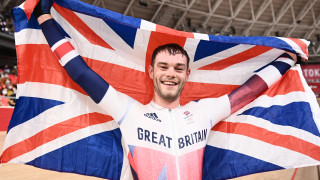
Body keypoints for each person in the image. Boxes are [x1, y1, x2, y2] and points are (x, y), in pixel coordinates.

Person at [33, 1, 297, 179]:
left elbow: (251, 90)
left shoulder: (203, 112)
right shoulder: (129, 111)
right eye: (164, 67)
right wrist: (45, 18)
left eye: (178, 68)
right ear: (151, 72)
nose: (171, 73)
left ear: (187, 74)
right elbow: (80, 72)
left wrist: (288, 59)